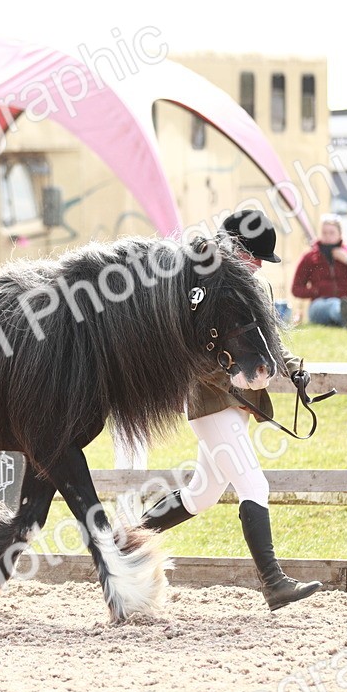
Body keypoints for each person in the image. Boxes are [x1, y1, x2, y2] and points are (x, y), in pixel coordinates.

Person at [140, 210, 321, 611]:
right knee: (254, 485)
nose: (260, 266)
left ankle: (126, 539)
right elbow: (188, 350)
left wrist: (293, 368)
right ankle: (274, 583)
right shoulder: (199, 282)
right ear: (236, 248)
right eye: (256, 257)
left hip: (238, 404)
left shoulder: (250, 285)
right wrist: (231, 373)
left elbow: (266, 340)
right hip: (210, 400)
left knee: (201, 494)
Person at [291, 213, 347, 328]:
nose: (327, 236)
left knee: (346, 303)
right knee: (335, 305)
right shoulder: (310, 257)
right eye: (324, 233)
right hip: (319, 304)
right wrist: (316, 291)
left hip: (346, 299)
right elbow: (296, 289)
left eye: (331, 233)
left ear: (340, 234)